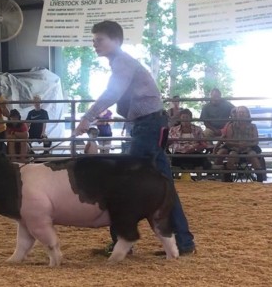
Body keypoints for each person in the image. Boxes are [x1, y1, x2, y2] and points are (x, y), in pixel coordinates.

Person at [74, 20, 195, 256]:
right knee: (163, 184)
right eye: (93, 40)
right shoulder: (122, 63)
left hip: (148, 126)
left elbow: (113, 93)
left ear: (116, 41)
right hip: (150, 125)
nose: (94, 44)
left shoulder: (122, 62)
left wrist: (88, 117)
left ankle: (123, 241)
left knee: (126, 183)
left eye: (99, 40)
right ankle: (183, 241)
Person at [215, 106, 266, 182]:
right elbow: (228, 141)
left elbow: (256, 141)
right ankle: (227, 179)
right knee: (232, 154)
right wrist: (238, 144)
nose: (241, 114)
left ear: (248, 114)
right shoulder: (231, 126)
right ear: (237, 114)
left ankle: (259, 178)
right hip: (234, 148)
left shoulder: (253, 126)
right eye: (239, 112)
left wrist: (247, 145)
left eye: (243, 112)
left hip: (249, 148)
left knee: (252, 155)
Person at [168, 109, 210, 174]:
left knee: (199, 158)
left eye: (187, 117)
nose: (185, 119)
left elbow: (204, 143)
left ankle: (199, 180)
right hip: (179, 153)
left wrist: (195, 148)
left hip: (194, 153)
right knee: (175, 158)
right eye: (183, 117)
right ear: (180, 119)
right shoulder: (173, 129)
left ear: (190, 118)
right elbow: (169, 142)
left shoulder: (197, 129)